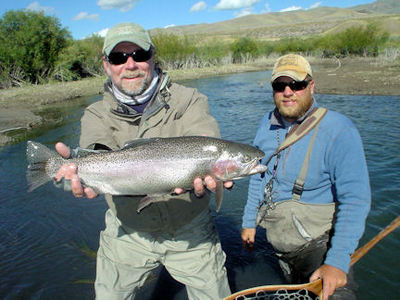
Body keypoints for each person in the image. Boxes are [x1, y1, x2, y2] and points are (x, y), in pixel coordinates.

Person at [53, 22, 232, 299]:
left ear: (152, 56)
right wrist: (71, 176)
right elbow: (95, 156)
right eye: (118, 57)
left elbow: (205, 137)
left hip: (190, 229)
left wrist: (211, 164)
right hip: (127, 230)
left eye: (139, 54)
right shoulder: (95, 114)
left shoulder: (189, 100)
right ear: (106, 64)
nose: (130, 64)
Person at [241, 54, 371, 300]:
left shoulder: (340, 130)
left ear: (311, 86)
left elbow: (355, 201)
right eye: (280, 86)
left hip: (318, 245)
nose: (288, 92)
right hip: (279, 242)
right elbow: (257, 176)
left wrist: (337, 262)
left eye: (297, 84)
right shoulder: (265, 124)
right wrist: (249, 222)